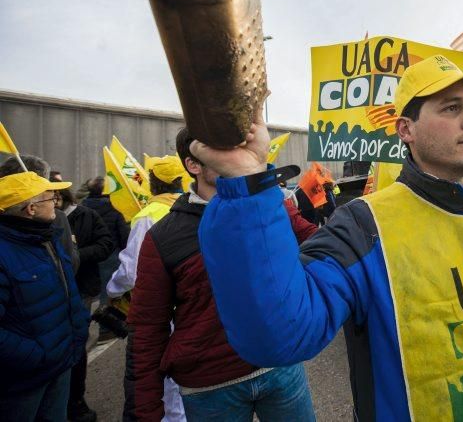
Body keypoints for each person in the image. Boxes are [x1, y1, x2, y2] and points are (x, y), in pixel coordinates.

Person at [194, 56, 463, 421]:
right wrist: (247, 188)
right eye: (451, 107)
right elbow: (280, 335)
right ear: (405, 129)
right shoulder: (364, 226)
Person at [125, 129, 315, 421]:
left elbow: (316, 245)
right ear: (194, 164)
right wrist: (146, 410)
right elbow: (148, 327)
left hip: (281, 367)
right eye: (221, 150)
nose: (235, 158)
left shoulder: (269, 206)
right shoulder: (162, 237)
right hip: (211, 387)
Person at [0, 172, 88, 421]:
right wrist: (36, 355)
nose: (57, 201)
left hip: (59, 363)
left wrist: (77, 329)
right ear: (30, 208)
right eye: (51, 197)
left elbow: (66, 289)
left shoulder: (45, 238)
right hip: (23, 380)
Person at [106, 155, 186, 422]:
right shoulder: (196, 209)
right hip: (188, 306)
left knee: (156, 382)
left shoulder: (148, 215)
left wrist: (113, 291)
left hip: (157, 312)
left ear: (153, 184)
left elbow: (132, 271)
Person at [58, 185, 114, 422]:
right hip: (53, 292)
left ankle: (75, 401)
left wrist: (78, 255)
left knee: (76, 342)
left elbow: (105, 244)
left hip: (81, 287)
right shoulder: (38, 222)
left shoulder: (86, 215)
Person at [1, 155, 79, 268]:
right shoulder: (54, 217)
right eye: (52, 198)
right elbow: (70, 263)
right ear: (31, 208)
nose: (54, 202)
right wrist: (73, 244)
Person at [81, 176, 130, 343]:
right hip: (111, 255)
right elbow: (124, 235)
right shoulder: (114, 207)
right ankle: (106, 329)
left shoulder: (83, 207)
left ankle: (81, 330)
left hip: (90, 255)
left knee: (88, 293)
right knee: (108, 292)